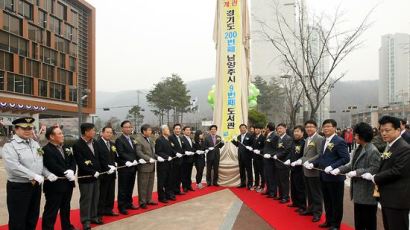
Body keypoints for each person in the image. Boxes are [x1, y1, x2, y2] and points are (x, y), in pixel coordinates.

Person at [3, 117, 56, 230]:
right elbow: (13, 167)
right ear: (16, 129)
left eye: (30, 128)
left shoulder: (35, 144)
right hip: (19, 187)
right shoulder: (10, 146)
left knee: (32, 217)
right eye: (24, 128)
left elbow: (39, 163)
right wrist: (34, 175)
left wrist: (47, 174)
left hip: (35, 186)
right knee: (18, 219)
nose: (28, 130)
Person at [362, 116, 410, 230]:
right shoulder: (390, 146)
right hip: (388, 197)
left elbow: (398, 171)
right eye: (381, 130)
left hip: (397, 199)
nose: (383, 133)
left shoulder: (404, 148)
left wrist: (375, 177)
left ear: (398, 130)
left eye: (387, 130)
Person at [331, 122, 381, 230]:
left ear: (363, 135)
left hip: (368, 192)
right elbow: (351, 165)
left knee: (369, 221)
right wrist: (339, 169)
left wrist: (357, 172)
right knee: (359, 221)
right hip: (358, 191)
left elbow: (374, 168)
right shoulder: (358, 148)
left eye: (356, 135)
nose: (354, 137)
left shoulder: (372, 150)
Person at [305, 119, 350, 230]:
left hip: (335, 177)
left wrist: (333, 166)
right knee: (327, 201)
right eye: (324, 126)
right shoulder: (325, 141)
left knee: (336, 202)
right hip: (324, 176)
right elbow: (321, 156)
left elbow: (345, 158)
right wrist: (312, 162)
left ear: (334, 128)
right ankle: (329, 221)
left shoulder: (339, 141)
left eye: (328, 126)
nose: (326, 128)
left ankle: (336, 225)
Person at [73, 123, 108, 230]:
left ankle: (94, 217)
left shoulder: (95, 143)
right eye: (92, 130)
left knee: (95, 198)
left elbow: (100, 158)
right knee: (86, 199)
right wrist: (92, 171)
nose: (94, 132)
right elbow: (80, 162)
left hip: (97, 176)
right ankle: (85, 220)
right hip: (86, 177)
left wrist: (106, 168)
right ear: (86, 132)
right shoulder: (78, 145)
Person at [42, 126, 77, 230]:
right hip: (55, 186)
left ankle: (67, 227)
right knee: (51, 210)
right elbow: (52, 165)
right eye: (60, 133)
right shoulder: (46, 150)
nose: (62, 135)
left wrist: (72, 170)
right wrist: (65, 172)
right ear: (52, 137)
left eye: (62, 133)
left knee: (66, 208)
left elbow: (73, 161)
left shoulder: (65, 147)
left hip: (68, 184)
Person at [298, 120, 324, 222]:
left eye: (311, 126)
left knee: (316, 193)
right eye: (307, 127)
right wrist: (301, 160)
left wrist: (309, 161)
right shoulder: (307, 139)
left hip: (314, 170)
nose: (309, 128)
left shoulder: (319, 139)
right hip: (306, 169)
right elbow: (305, 154)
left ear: (316, 128)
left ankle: (317, 212)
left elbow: (319, 154)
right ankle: (311, 209)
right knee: (309, 192)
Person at [115, 120, 139, 215]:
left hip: (133, 167)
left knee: (130, 186)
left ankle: (129, 203)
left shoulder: (132, 139)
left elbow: (135, 151)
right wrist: (131, 160)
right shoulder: (119, 140)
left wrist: (136, 159)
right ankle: (122, 206)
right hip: (125, 167)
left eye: (130, 127)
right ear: (122, 129)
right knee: (123, 188)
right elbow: (121, 153)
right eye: (126, 127)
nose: (128, 128)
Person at [96, 126, 118, 217]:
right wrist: (106, 167)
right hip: (103, 173)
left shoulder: (112, 144)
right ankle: (100, 212)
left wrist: (115, 163)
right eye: (107, 132)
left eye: (110, 132)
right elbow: (98, 158)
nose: (109, 134)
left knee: (111, 192)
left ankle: (109, 209)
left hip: (112, 173)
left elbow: (115, 156)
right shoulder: (97, 143)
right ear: (102, 133)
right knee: (102, 193)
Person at [135, 124, 158, 209]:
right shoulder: (138, 140)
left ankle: (149, 199)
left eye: (150, 130)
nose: (150, 131)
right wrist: (148, 159)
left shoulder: (150, 139)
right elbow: (139, 152)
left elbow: (152, 151)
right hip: (144, 166)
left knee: (150, 184)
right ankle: (142, 202)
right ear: (144, 131)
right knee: (143, 185)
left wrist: (157, 156)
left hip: (152, 165)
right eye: (149, 130)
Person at [155, 125, 176, 203]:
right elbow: (158, 152)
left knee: (169, 180)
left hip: (170, 163)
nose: (168, 130)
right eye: (167, 129)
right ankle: (161, 197)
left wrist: (176, 153)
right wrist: (167, 157)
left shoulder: (169, 139)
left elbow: (172, 149)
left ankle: (169, 194)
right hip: (163, 164)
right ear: (163, 131)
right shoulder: (159, 140)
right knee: (162, 181)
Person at [273, 123, 293, 203]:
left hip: (284, 162)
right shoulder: (278, 138)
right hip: (277, 162)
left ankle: (286, 197)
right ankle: (281, 195)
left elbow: (287, 150)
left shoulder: (288, 138)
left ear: (285, 128)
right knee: (279, 180)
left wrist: (277, 155)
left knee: (284, 181)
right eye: (278, 129)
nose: (279, 130)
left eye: (281, 128)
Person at [289, 125, 306, 213]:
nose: (295, 133)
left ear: (302, 133)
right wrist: (289, 160)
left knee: (300, 188)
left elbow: (304, 156)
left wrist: (298, 162)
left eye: (298, 131)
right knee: (293, 186)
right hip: (293, 168)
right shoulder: (293, 142)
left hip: (300, 169)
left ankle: (302, 206)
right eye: (295, 131)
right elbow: (291, 153)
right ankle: (295, 202)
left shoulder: (304, 142)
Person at [232, 124, 255, 189]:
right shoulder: (238, 136)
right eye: (241, 128)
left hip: (247, 156)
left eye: (243, 128)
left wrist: (250, 147)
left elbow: (253, 145)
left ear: (246, 128)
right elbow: (237, 145)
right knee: (241, 171)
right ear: (239, 129)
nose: (242, 129)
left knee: (249, 171)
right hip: (240, 156)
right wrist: (233, 140)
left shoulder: (250, 135)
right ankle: (243, 183)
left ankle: (250, 184)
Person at [262, 122, 279, 198]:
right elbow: (267, 146)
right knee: (267, 175)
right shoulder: (268, 135)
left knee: (271, 176)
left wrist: (270, 155)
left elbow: (276, 148)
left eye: (266, 127)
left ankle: (273, 192)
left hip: (270, 159)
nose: (265, 128)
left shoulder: (275, 136)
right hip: (265, 158)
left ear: (268, 128)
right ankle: (268, 190)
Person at [168, 124, 185, 195]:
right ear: (173, 130)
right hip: (174, 160)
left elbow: (182, 148)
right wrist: (176, 153)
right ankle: (172, 191)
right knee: (173, 177)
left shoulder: (181, 137)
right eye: (176, 129)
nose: (178, 130)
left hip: (181, 160)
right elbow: (170, 148)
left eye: (179, 129)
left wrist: (184, 152)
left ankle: (177, 190)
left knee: (179, 176)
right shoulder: (170, 137)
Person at [181, 126, 195, 192]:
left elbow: (193, 147)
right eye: (187, 130)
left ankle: (189, 185)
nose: (188, 131)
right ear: (183, 131)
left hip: (191, 159)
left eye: (189, 130)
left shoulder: (191, 139)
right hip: (185, 159)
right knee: (184, 174)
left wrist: (195, 151)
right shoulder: (181, 138)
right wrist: (185, 152)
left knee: (189, 173)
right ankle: (184, 187)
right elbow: (180, 149)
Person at [252, 125, 265, 192]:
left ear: (260, 129)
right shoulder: (254, 137)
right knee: (256, 172)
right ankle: (256, 184)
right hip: (255, 158)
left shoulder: (263, 138)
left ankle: (262, 186)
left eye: (257, 129)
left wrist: (260, 151)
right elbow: (253, 147)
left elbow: (265, 148)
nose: (256, 130)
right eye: (255, 129)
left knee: (261, 173)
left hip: (260, 158)